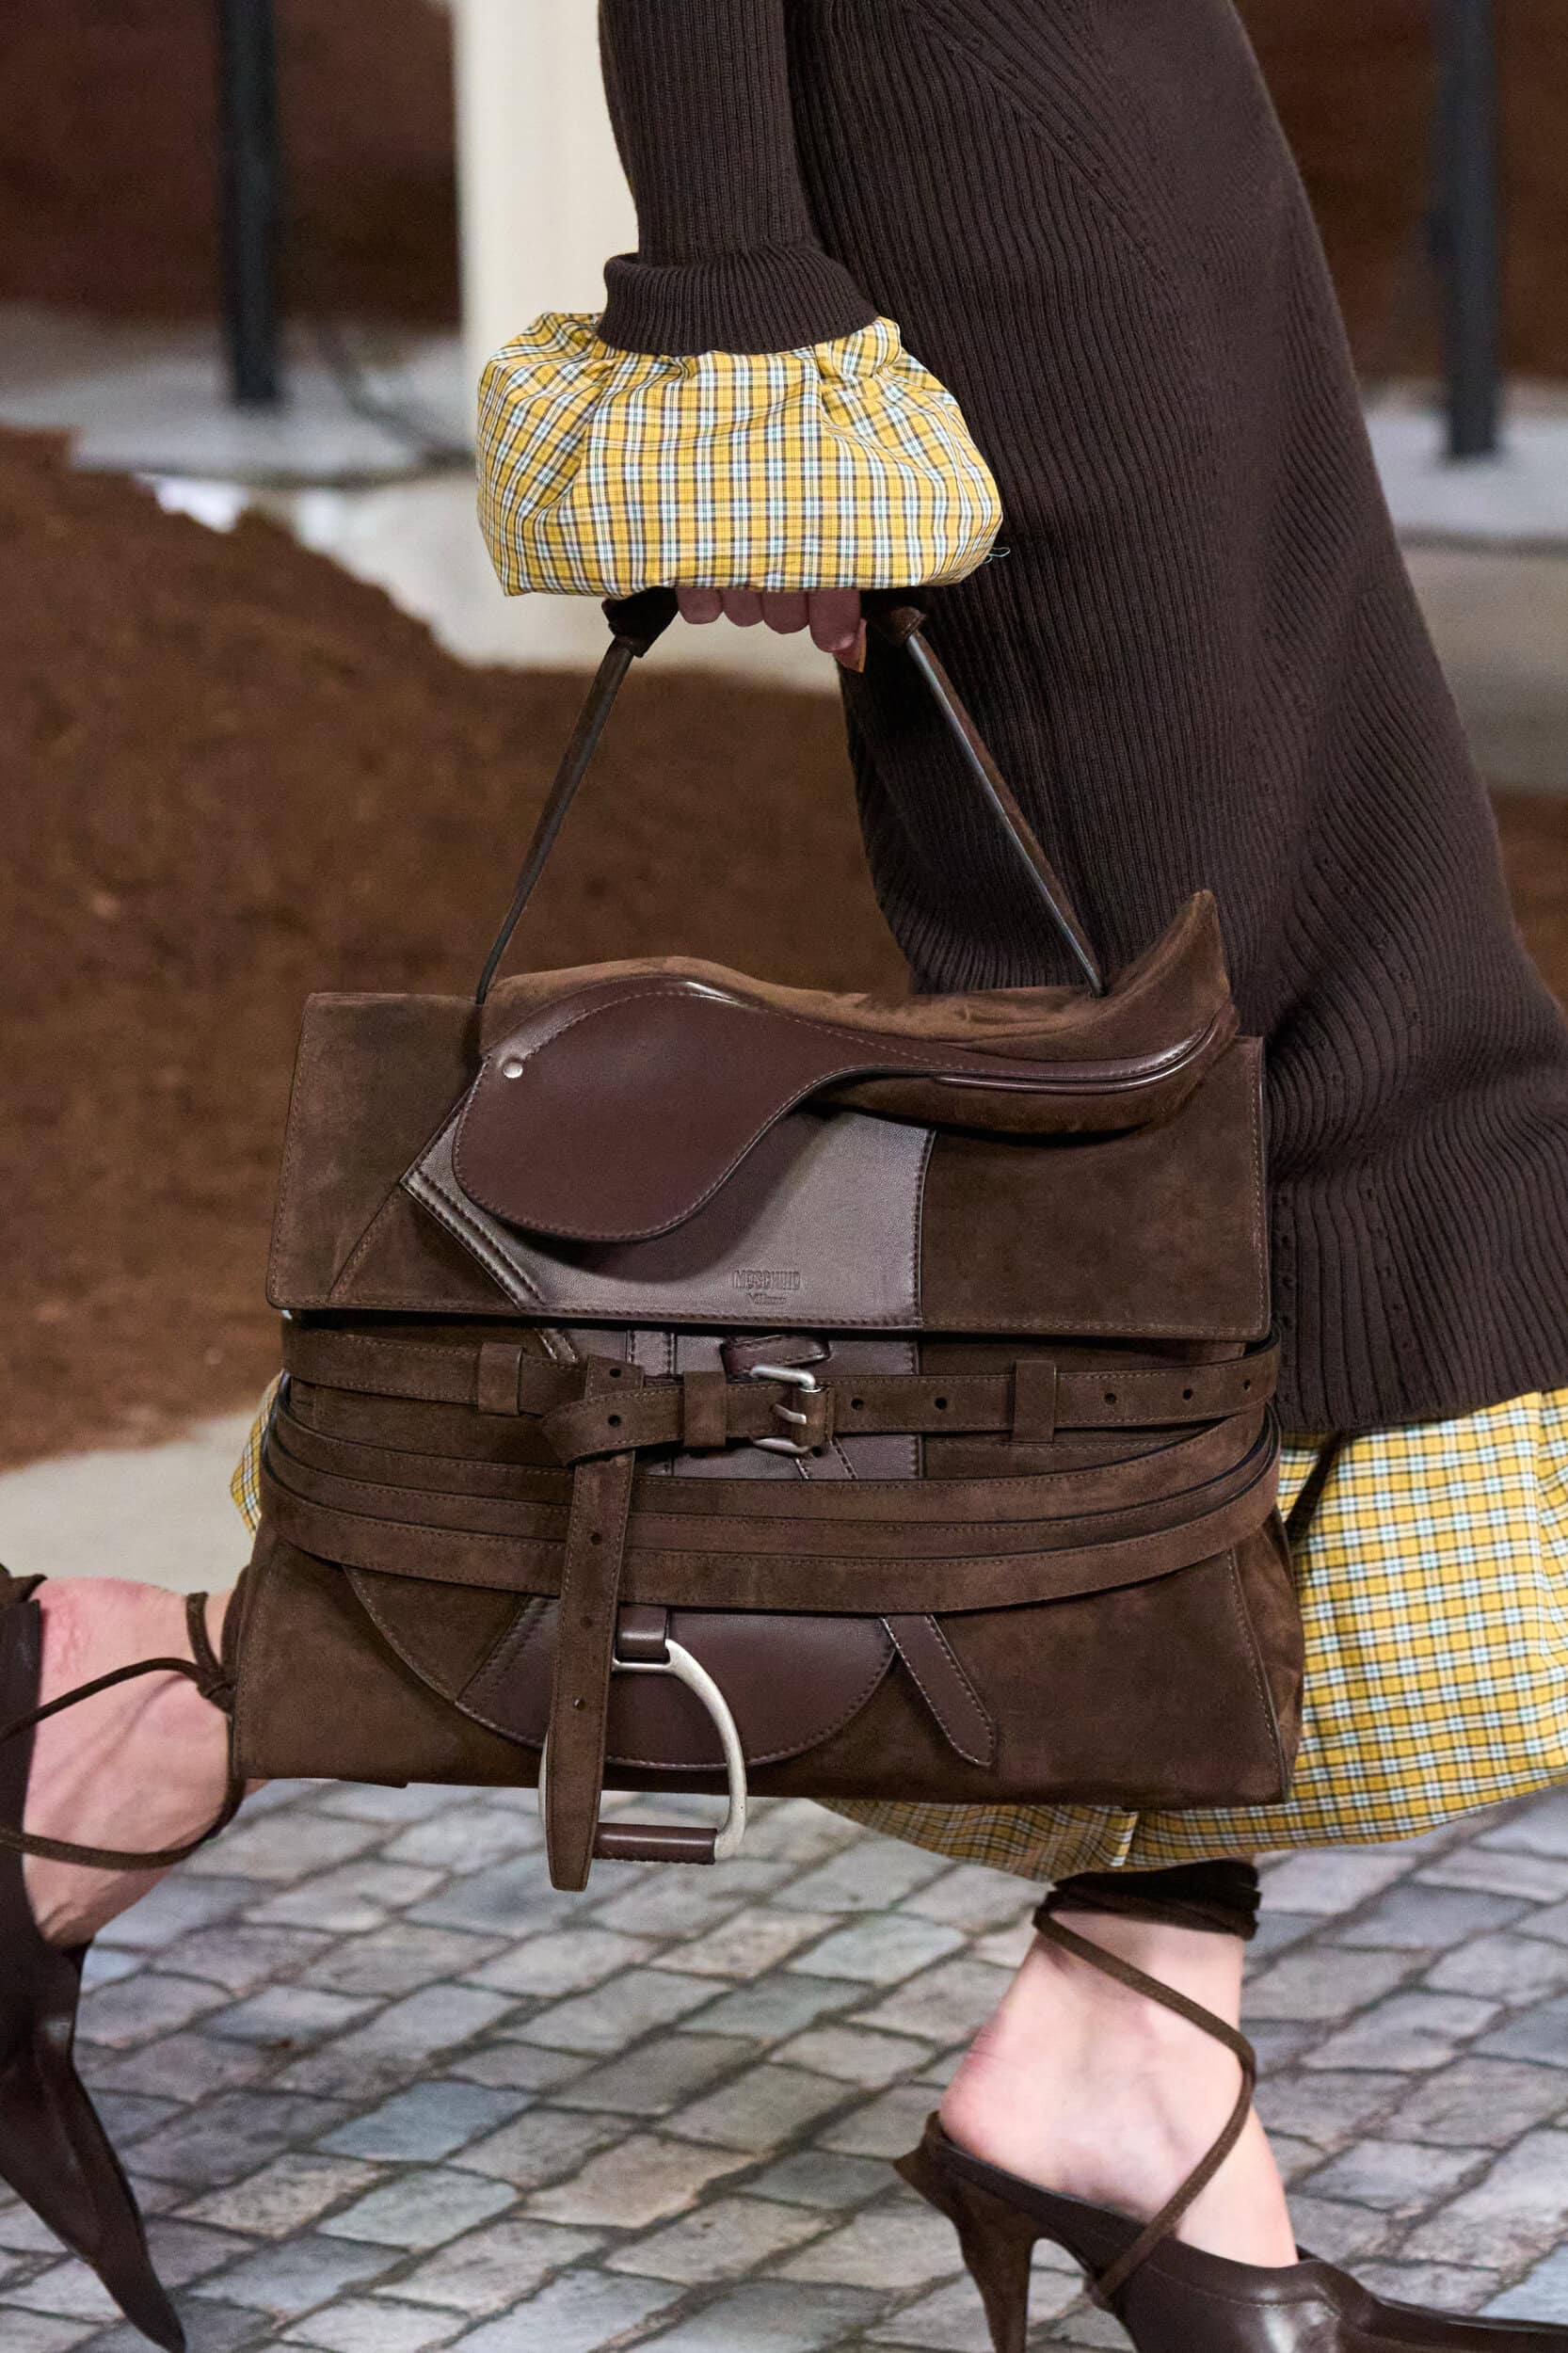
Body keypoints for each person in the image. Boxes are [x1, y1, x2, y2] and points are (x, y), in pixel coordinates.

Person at [9, 3, 1568, 2346]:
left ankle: (1126, 2040)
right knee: (1251, 1111)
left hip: (1131, 147)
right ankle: (138, 1705)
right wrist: (738, 323)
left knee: (1234, 1139)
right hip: (994, 192)